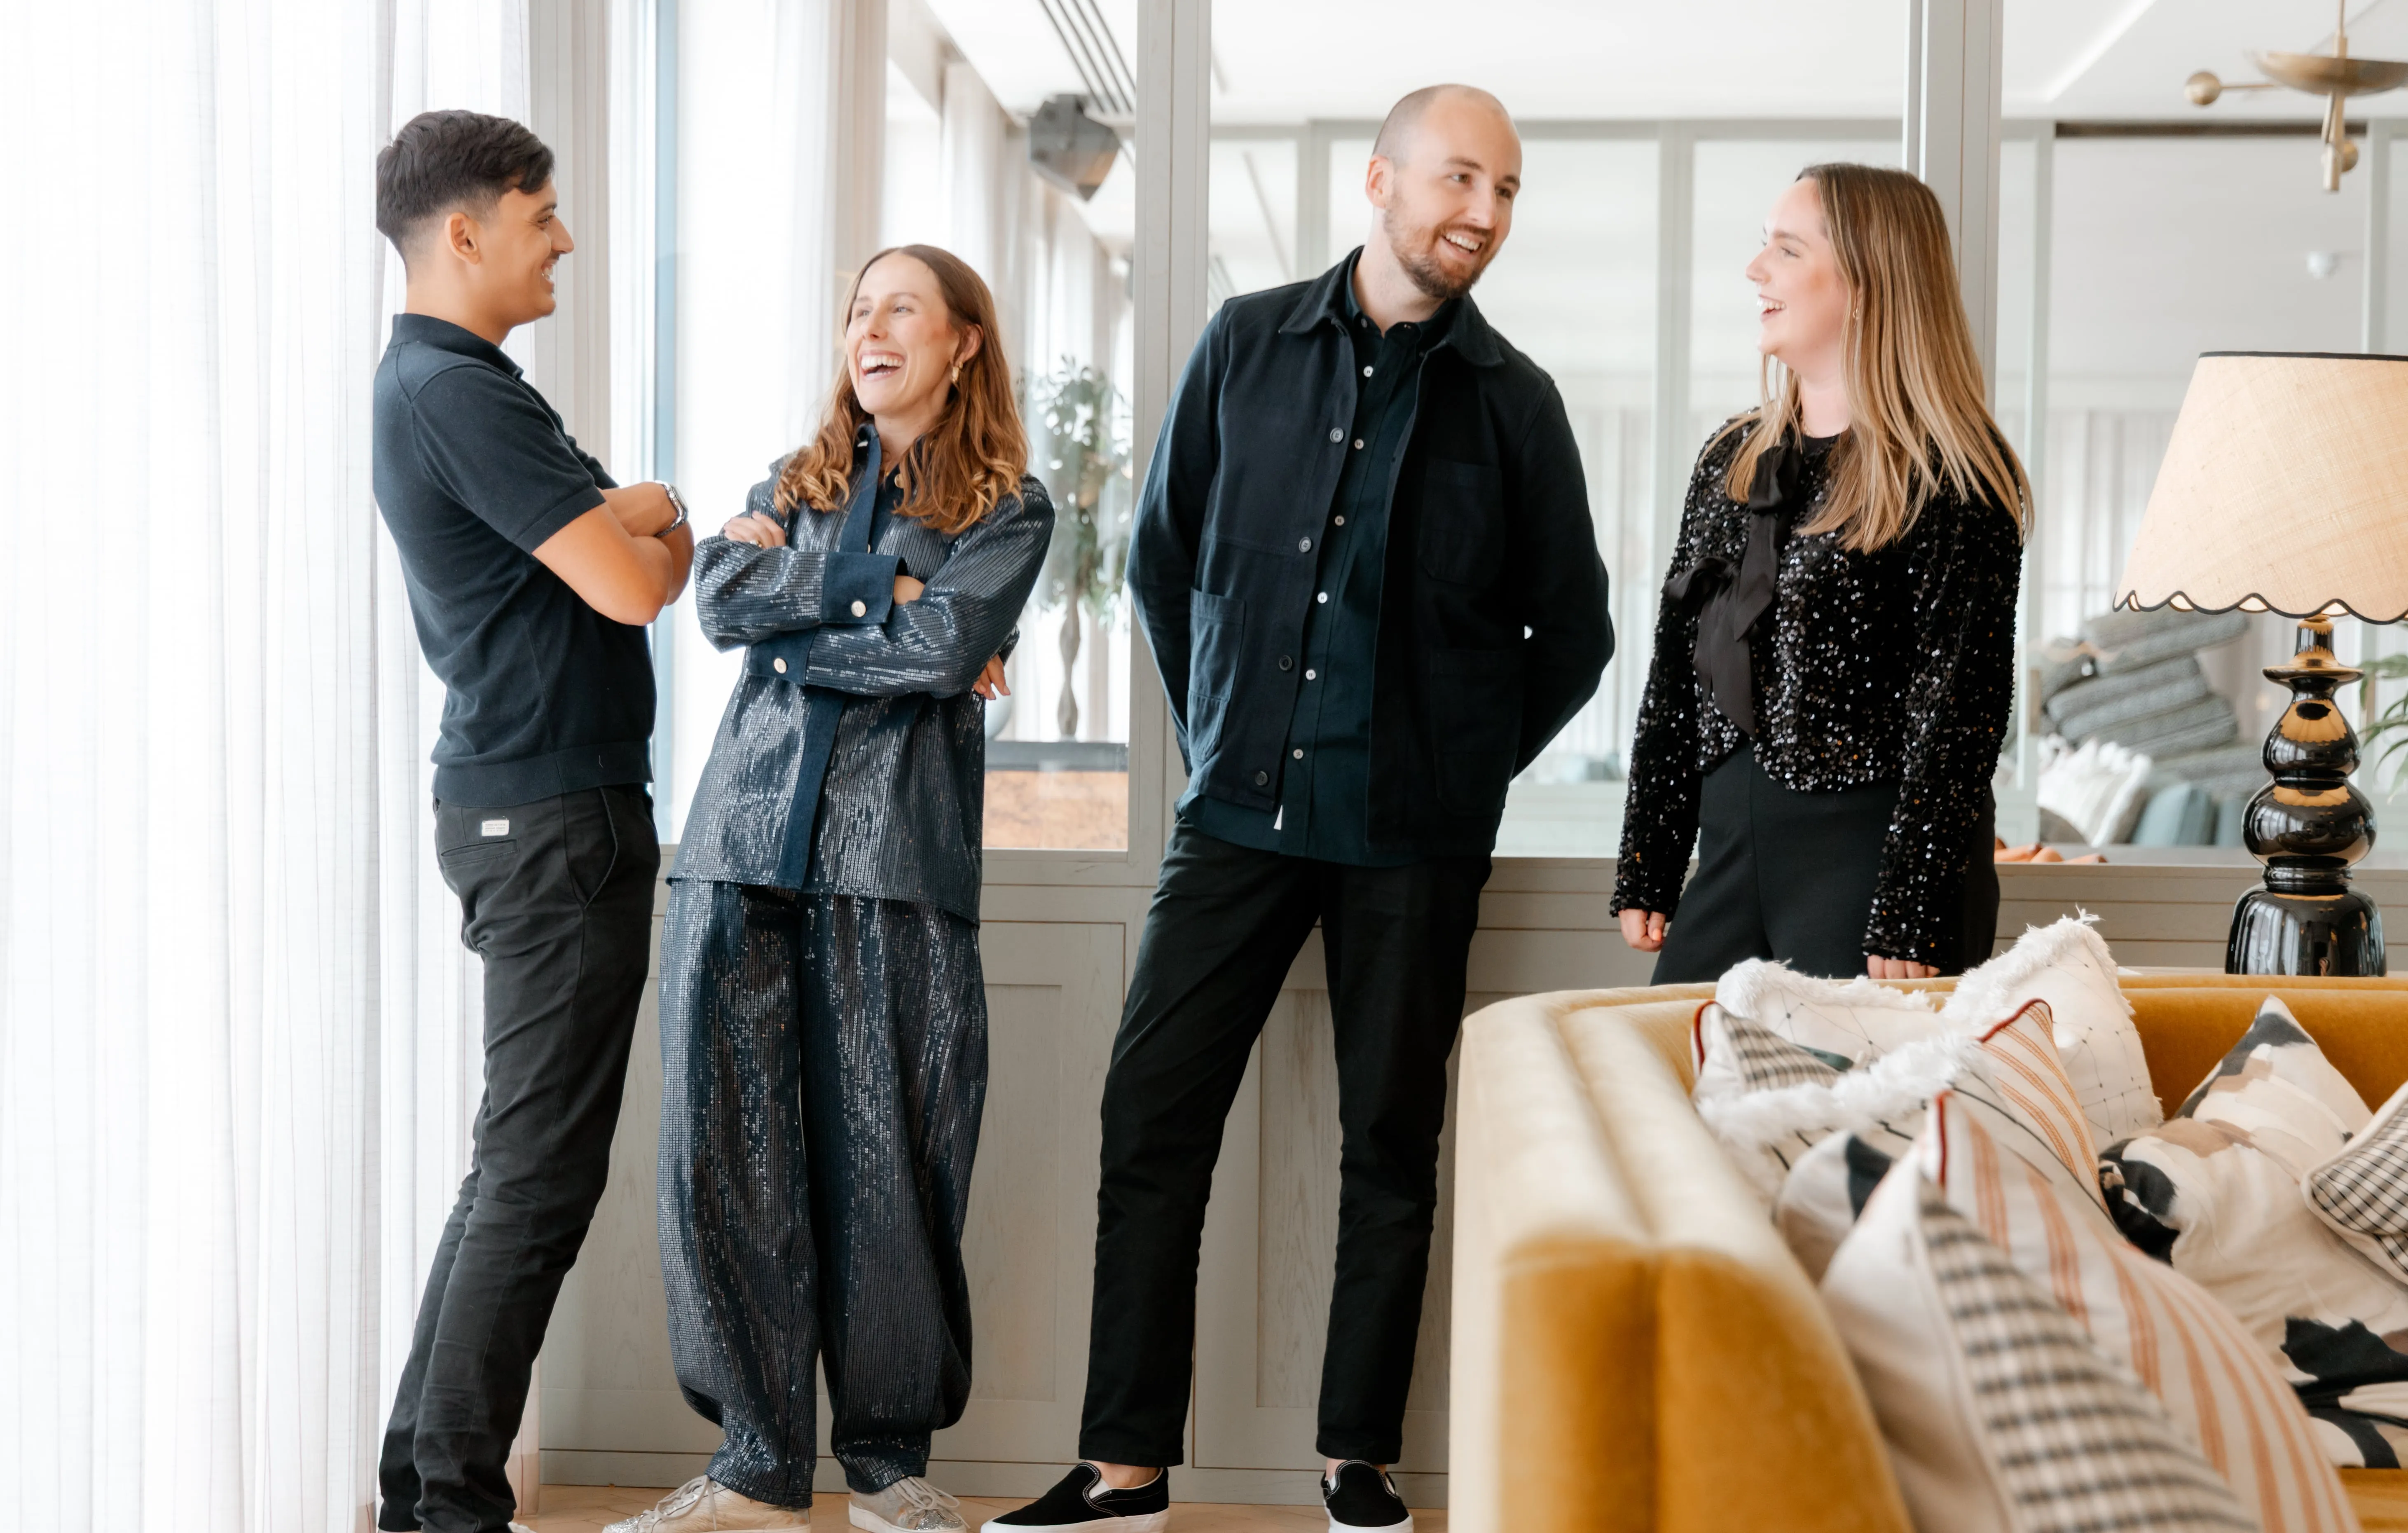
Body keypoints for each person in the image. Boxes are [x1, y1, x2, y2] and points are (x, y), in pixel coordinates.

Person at [988, 86, 1612, 1533]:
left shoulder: (1513, 401)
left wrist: (1458, 770)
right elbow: (1160, 563)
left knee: (1389, 1147)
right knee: (1149, 1117)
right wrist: (1220, 730)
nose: (1484, 213)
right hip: (1237, 819)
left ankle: (1356, 1460)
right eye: (1462, 178)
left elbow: (1569, 636)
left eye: (1508, 191)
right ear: (1382, 181)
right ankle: (1124, 1466)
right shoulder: (1243, 346)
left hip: (1415, 839)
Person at [611, 246, 1051, 1533]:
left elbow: (942, 649)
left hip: (893, 873)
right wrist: (875, 588)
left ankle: (884, 1464)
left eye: (900, 307)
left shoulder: (1008, 510)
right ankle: (753, 1466)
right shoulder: (788, 485)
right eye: (858, 307)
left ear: (963, 340)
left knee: (892, 1168)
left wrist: (841, 616)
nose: (870, 326)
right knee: (726, 1166)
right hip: (738, 851)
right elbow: (719, 594)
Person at [371, 110, 693, 1533]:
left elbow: (615, 552)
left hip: (541, 807)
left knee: (519, 1169)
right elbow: (632, 582)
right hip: (547, 819)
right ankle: (451, 1505)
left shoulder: (459, 381)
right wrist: (656, 517)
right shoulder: (459, 393)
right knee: (537, 1181)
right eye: (540, 210)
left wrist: (631, 524)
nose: (561, 237)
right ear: (466, 230)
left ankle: (418, 1485)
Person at [1612, 163, 2028, 984]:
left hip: (1870, 868)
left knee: (1858, 1112)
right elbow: (1676, 663)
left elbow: (1960, 711)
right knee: (1680, 1091)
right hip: (1728, 852)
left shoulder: (1956, 478)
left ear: (1870, 283)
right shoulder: (1731, 459)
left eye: (1787, 250)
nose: (1755, 270)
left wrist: (1913, 906)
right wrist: (1650, 854)